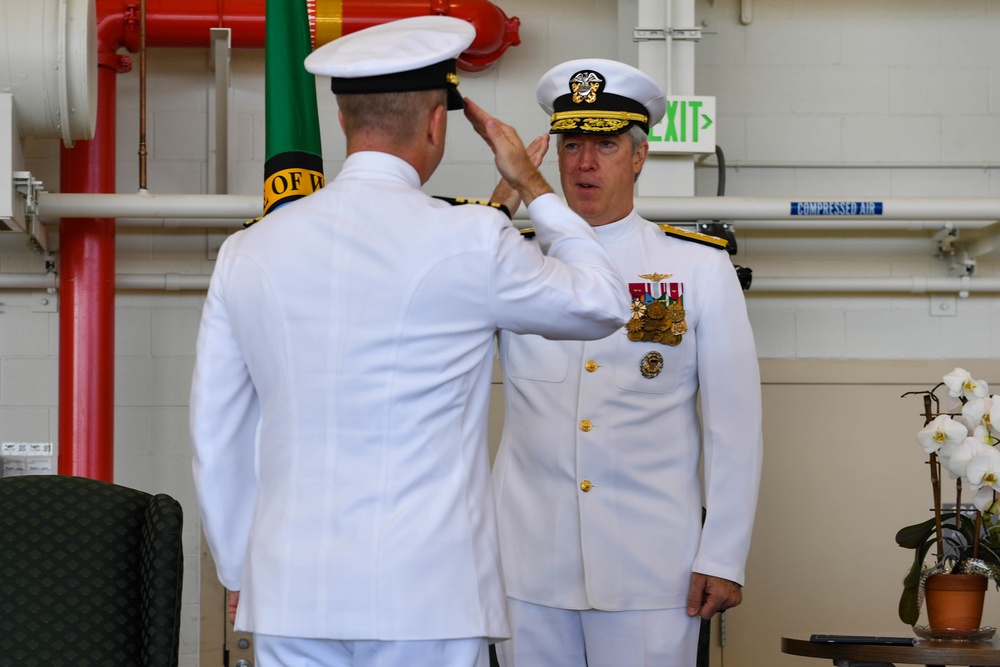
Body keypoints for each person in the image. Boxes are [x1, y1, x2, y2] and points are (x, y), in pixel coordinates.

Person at [189, 20, 631, 667]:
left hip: (290, 591)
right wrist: (532, 186)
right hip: (429, 596)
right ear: (436, 122)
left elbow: (216, 432)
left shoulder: (247, 252)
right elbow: (604, 300)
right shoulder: (471, 238)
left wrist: (239, 566)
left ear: (341, 120)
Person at [492, 58, 764, 667]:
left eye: (606, 145)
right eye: (572, 145)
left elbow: (734, 425)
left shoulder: (697, 268)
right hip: (527, 561)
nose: (585, 164)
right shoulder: (510, 261)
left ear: (638, 157)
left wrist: (721, 555)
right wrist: (495, 216)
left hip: (651, 567)